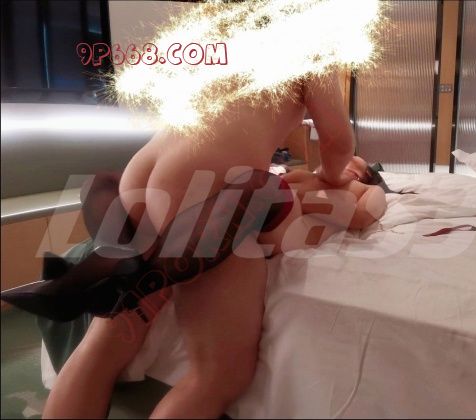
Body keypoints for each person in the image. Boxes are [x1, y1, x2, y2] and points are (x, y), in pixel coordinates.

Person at [41, 73, 368, 419]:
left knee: (102, 349)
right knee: (218, 375)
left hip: (141, 173)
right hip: (201, 185)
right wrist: (331, 177)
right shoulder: (314, 50)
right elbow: (337, 141)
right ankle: (142, 275)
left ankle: (128, 276)